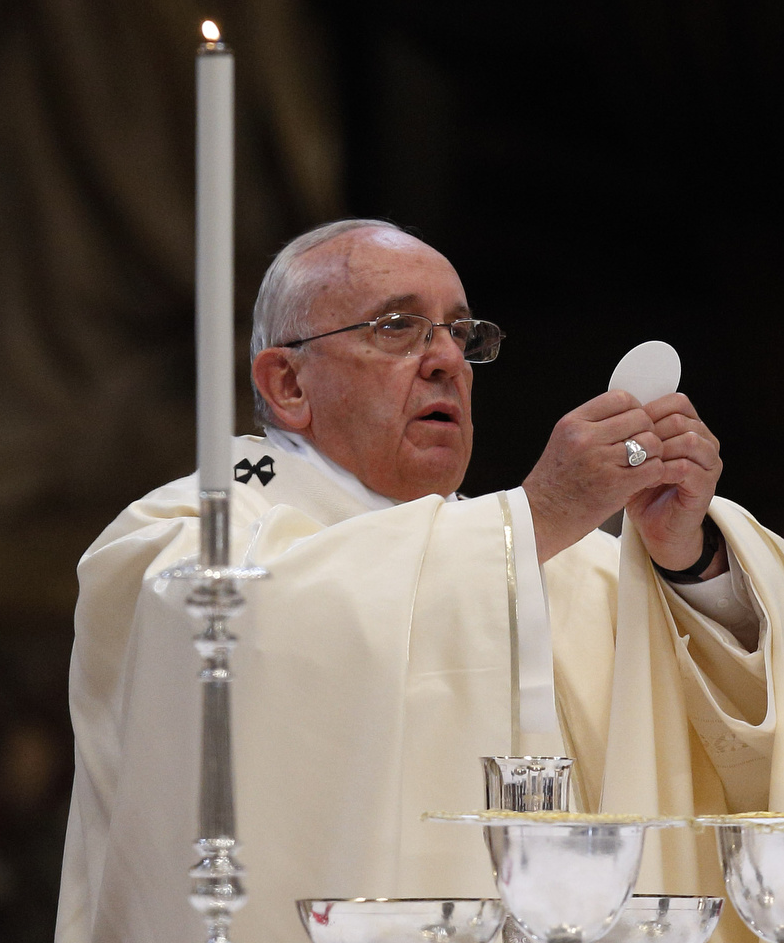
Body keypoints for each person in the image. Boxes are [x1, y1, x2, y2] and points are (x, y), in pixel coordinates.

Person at [56, 218, 782, 943]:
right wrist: (534, 517)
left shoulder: (557, 558)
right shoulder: (185, 535)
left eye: (461, 334)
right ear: (286, 383)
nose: (446, 361)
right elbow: (235, 643)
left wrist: (688, 564)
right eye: (398, 327)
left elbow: (724, 742)